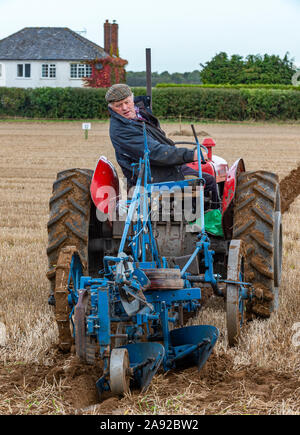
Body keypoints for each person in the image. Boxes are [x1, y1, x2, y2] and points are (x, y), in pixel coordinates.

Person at [105, 84, 220, 209]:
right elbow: (154, 152)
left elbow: (157, 143)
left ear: (132, 98)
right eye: (118, 105)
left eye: (127, 102)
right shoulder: (122, 129)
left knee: (201, 177)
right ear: (111, 108)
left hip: (161, 168)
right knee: (208, 181)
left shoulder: (139, 114)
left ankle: (193, 214)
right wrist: (190, 155)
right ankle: (208, 222)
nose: (125, 108)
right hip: (152, 174)